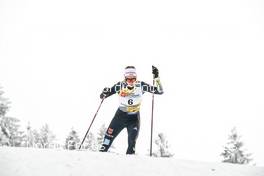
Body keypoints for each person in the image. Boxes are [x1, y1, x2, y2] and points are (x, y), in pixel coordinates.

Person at [99, 66, 163, 154]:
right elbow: (103, 96)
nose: (131, 82)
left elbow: (160, 91)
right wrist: (104, 92)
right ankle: (101, 156)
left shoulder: (141, 85)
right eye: (129, 79)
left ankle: (130, 164)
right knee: (107, 139)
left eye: (133, 79)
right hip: (120, 116)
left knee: (132, 143)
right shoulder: (119, 85)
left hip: (134, 118)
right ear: (125, 78)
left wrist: (156, 77)